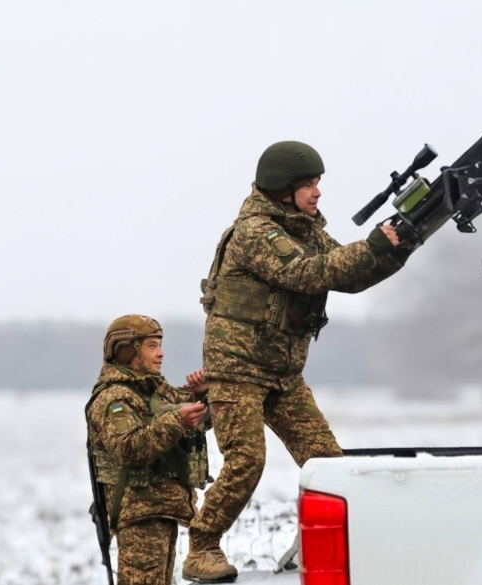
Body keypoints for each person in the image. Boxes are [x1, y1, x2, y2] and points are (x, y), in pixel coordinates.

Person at [182, 141, 409, 582]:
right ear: (281, 189)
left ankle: (328, 544)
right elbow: (309, 273)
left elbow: (349, 276)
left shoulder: (305, 229)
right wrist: (374, 244)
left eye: (318, 183)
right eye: (307, 184)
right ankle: (202, 548)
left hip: (283, 373)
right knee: (247, 460)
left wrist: (397, 247)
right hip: (237, 368)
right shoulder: (255, 233)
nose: (317, 192)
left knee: (326, 462)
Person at [86, 314, 211, 585]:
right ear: (128, 350)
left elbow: (199, 416)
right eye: (152, 346)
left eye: (160, 345)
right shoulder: (113, 398)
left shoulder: (155, 388)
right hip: (140, 516)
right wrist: (179, 420)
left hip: (163, 510)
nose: (161, 353)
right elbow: (129, 448)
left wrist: (202, 395)